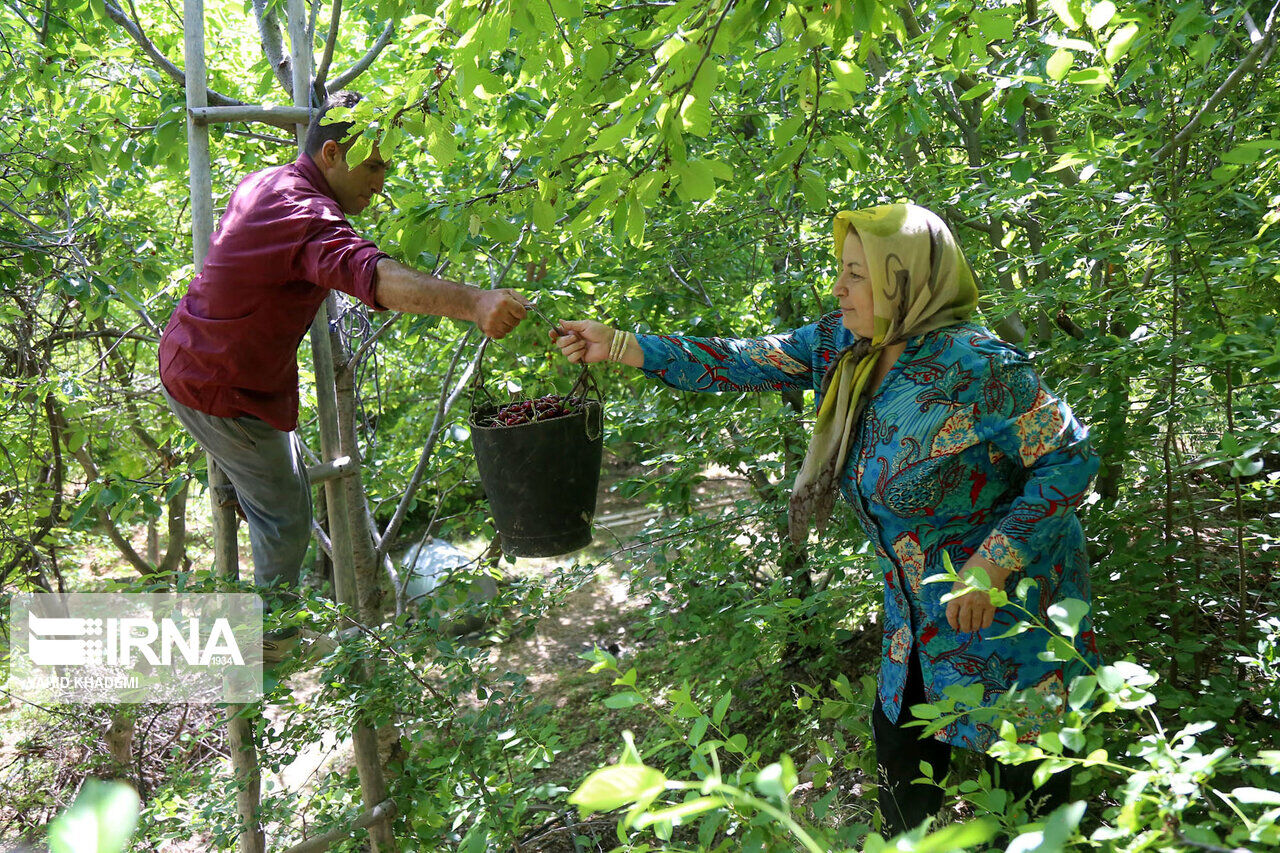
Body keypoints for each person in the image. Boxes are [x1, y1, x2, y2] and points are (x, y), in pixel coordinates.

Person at [551, 204, 1099, 833]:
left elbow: (1070, 458)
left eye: (857, 276)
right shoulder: (849, 348)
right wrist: (620, 346)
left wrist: (994, 563)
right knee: (903, 794)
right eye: (841, 272)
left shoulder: (979, 367)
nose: (839, 289)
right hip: (915, 625)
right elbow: (741, 360)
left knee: (1037, 803)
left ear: (905, 280)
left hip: (1013, 627)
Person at [158, 91, 530, 662]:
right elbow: (371, 276)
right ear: (331, 153)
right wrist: (476, 302)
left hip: (208, 362)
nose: (381, 181)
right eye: (374, 165)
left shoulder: (271, 182)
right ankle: (267, 646)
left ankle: (241, 488)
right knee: (286, 516)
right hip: (219, 386)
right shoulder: (300, 211)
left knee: (280, 481)